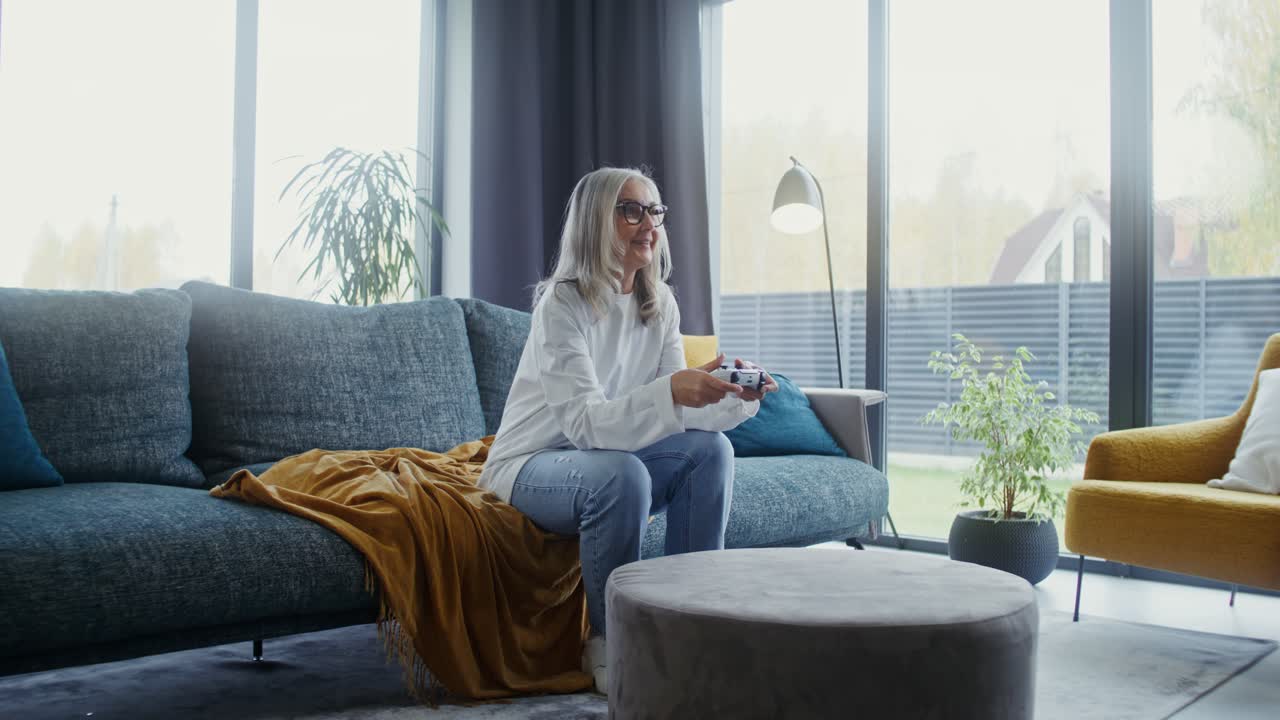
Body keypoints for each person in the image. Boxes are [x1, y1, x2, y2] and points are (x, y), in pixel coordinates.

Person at [479, 166, 777, 694]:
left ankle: (692, 627)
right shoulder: (563, 304)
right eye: (632, 211)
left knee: (712, 452)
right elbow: (584, 423)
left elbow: (677, 414)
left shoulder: (659, 303)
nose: (649, 224)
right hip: (532, 462)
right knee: (623, 476)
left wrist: (734, 397)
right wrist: (672, 392)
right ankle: (611, 642)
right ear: (596, 221)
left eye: (654, 211)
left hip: (609, 458)